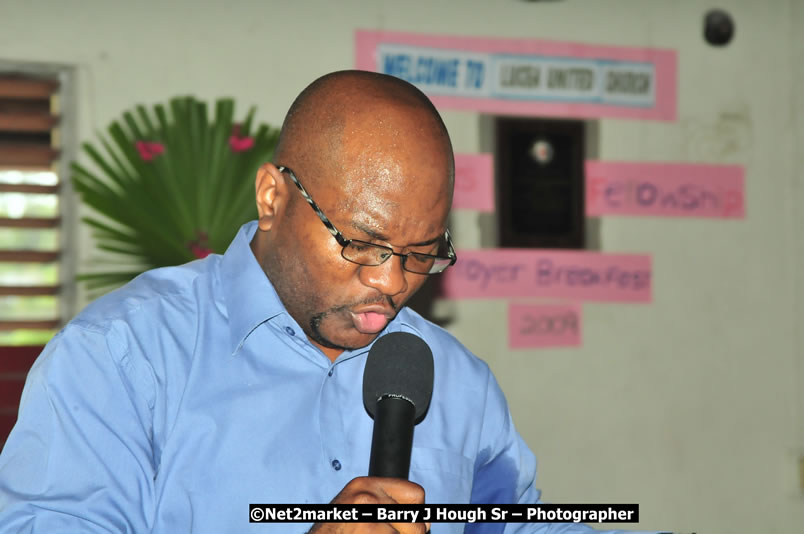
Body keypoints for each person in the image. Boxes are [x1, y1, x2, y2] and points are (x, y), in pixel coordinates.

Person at [0, 71, 650, 534]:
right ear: (273, 197)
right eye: (361, 243)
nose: (391, 282)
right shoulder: (123, 358)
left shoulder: (458, 382)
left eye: (421, 252)